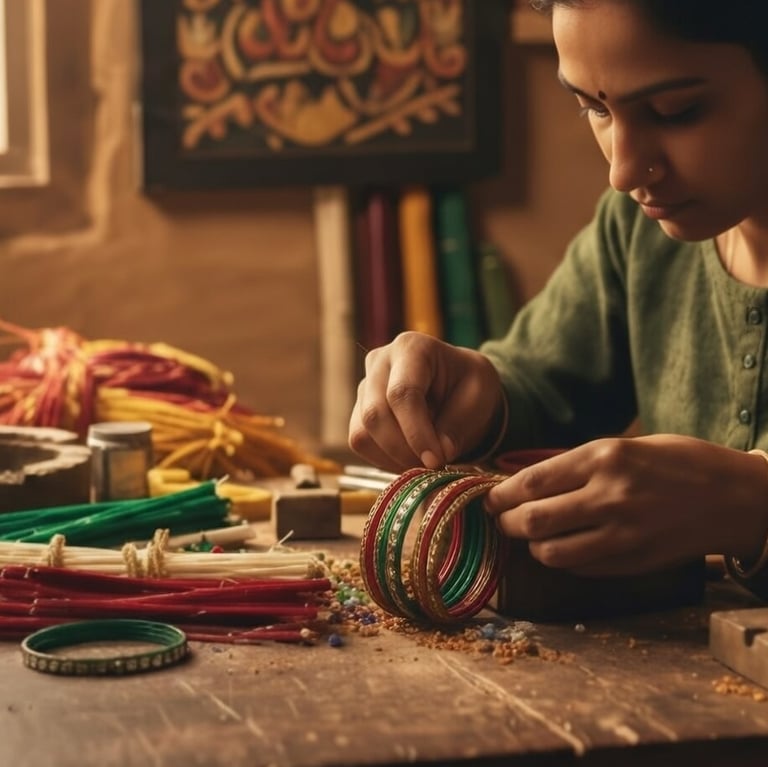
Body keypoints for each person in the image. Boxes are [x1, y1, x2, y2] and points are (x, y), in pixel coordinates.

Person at [347, 0, 768, 598]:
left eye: (677, 111)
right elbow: (547, 384)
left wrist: (752, 502)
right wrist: (474, 391)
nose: (623, 171)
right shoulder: (637, 232)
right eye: (594, 107)